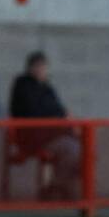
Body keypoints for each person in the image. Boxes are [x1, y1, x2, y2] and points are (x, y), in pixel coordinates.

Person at [9, 51, 82, 199]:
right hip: (33, 138)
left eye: (44, 66)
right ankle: (56, 187)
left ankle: (59, 186)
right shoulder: (23, 85)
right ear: (30, 68)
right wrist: (58, 115)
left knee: (83, 149)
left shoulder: (47, 88)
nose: (42, 70)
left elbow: (59, 109)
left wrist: (62, 116)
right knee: (73, 149)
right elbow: (36, 111)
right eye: (38, 66)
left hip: (54, 136)